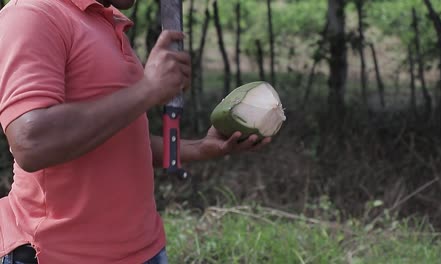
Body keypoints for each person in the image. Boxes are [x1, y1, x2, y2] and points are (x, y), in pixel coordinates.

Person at [0, 0, 270, 263]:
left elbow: (123, 138)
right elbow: (32, 141)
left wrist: (199, 148)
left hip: (145, 250)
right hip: (60, 253)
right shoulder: (33, 13)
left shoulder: (107, 21)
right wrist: (148, 89)